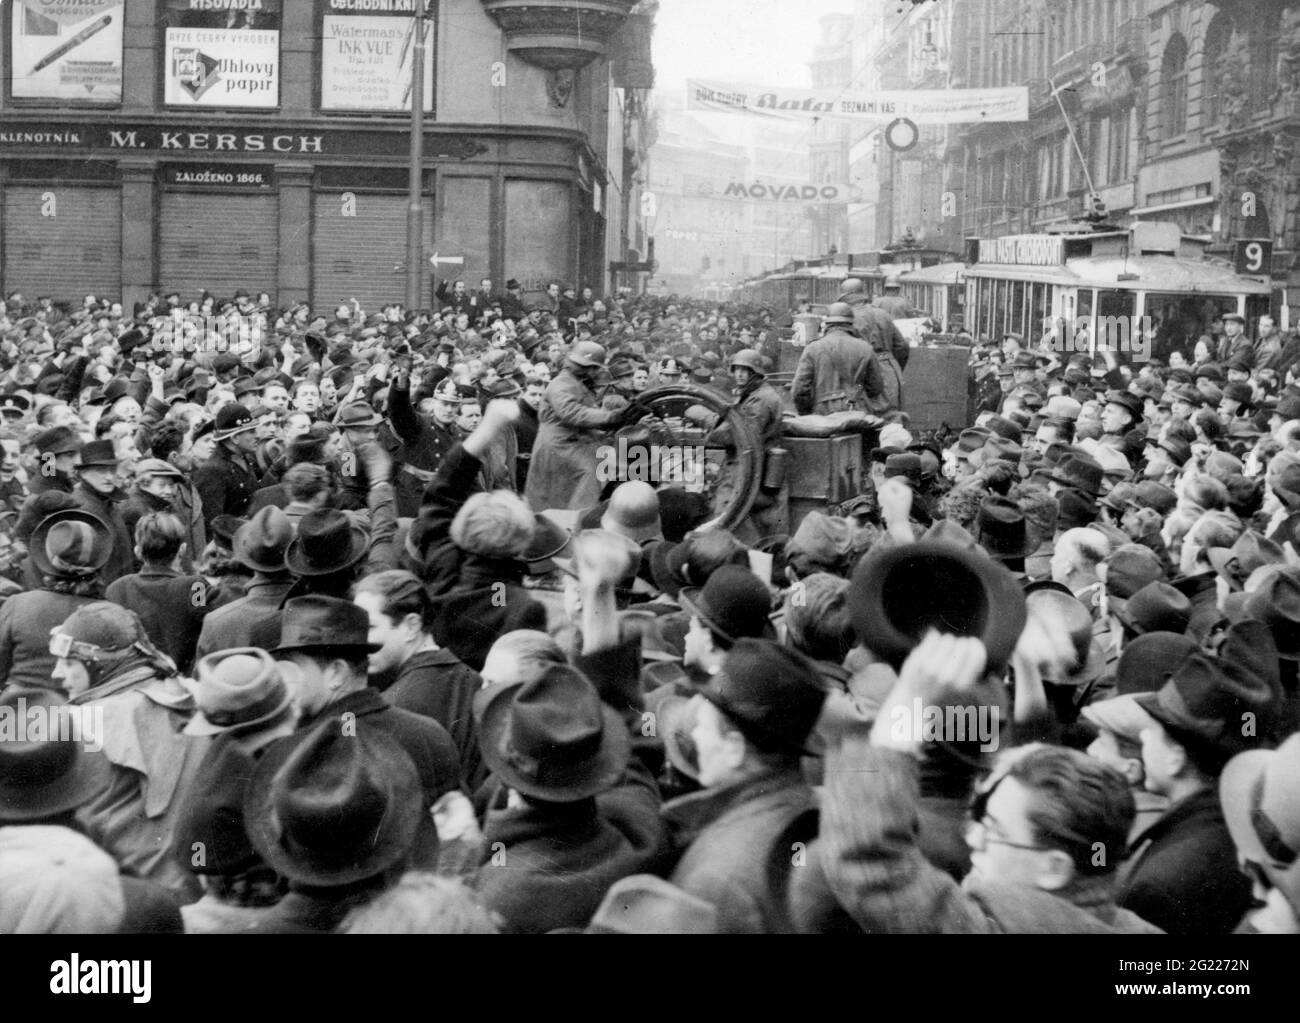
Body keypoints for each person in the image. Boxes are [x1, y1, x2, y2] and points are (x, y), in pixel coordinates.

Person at [269, 595, 463, 871]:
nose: (283, 679)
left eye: (295, 667)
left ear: (336, 672)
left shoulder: (304, 753)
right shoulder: (430, 733)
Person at [58, 602, 210, 898]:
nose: (56, 673)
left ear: (98, 663)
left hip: (125, 898)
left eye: (68, 663)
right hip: (195, 889)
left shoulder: (81, 722)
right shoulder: (199, 695)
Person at [353, 569, 485, 790]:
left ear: (412, 626)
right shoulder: (474, 679)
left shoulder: (391, 707)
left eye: (369, 627)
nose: (359, 641)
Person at [525, 341, 633, 512]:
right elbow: (572, 412)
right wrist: (611, 417)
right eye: (592, 368)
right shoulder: (561, 384)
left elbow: (585, 417)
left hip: (570, 442)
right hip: (558, 446)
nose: (595, 372)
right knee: (591, 470)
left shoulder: (576, 384)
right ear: (581, 366)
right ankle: (580, 519)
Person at [104, 512, 210, 673]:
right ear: (182, 549)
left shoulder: (116, 589)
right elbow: (206, 625)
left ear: (138, 552)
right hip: (182, 681)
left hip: (133, 681)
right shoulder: (196, 586)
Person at [791, 303, 885, 416]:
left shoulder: (813, 349)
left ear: (826, 324)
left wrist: (807, 414)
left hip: (823, 413)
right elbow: (875, 388)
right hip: (857, 412)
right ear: (851, 324)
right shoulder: (866, 348)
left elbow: (799, 390)